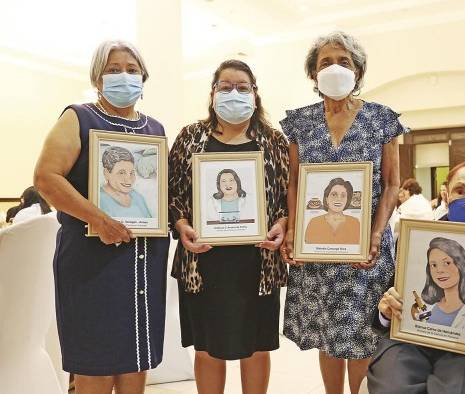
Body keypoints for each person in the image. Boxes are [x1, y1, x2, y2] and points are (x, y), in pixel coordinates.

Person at [33, 40, 169, 394]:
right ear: (97, 78)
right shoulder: (78, 117)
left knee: (136, 361)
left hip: (142, 262)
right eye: (113, 69)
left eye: (131, 69)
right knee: (95, 365)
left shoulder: (155, 130)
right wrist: (100, 219)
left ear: (143, 78)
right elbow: (46, 178)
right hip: (92, 264)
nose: (123, 76)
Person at [280, 31, 407, 394]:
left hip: (366, 245)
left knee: (365, 333)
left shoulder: (382, 119)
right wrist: (292, 231)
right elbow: (293, 182)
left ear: (358, 71)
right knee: (327, 332)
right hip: (317, 244)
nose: (335, 68)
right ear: (313, 75)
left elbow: (392, 183)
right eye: (325, 63)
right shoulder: (299, 123)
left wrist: (376, 233)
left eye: (344, 62)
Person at [168, 59, 289, 394]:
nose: (233, 93)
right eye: (225, 87)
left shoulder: (275, 141)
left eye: (242, 87)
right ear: (213, 93)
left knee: (258, 346)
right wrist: (181, 225)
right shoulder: (191, 137)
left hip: (258, 263)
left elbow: (287, 195)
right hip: (203, 262)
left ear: (255, 93)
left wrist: (282, 223)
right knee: (207, 347)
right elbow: (172, 192)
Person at [368, 157, 465, 394]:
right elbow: (394, 300)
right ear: (446, 196)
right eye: (460, 191)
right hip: (411, 341)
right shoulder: (418, 235)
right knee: (394, 387)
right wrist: (386, 312)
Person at [417, 237, 465, 329]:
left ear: (461, 265)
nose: (439, 270)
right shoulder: (426, 308)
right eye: (433, 265)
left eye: (447, 263)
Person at [304, 177, 361, 244]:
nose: (339, 199)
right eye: (334, 194)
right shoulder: (314, 222)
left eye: (343, 195)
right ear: (326, 198)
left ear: (347, 200)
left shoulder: (355, 223)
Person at [100, 146, 152, 218]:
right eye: (121, 173)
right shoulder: (99, 199)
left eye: (131, 173)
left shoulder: (137, 197)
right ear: (106, 173)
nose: (129, 179)